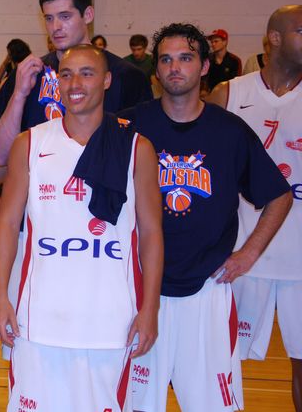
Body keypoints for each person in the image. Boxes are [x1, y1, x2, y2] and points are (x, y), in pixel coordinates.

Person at [120, 23, 291, 412]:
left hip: (208, 292)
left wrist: (248, 254)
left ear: (204, 67)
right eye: (166, 59)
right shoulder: (129, 125)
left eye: (185, 58)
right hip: (140, 291)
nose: (174, 67)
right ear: (156, 70)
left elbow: (279, 195)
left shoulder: (229, 130)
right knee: (135, 405)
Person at [0, 44, 163, 412]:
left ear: (106, 80)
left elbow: (150, 233)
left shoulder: (136, 148)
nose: (75, 84)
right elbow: (7, 224)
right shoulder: (30, 143)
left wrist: (150, 309)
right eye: (66, 75)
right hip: (38, 320)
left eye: (87, 73)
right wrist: (0, 296)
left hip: (111, 322)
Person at [208, 5, 302, 411]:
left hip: (299, 260)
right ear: (275, 38)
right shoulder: (229, 94)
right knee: (221, 363)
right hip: (239, 257)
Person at [0, 0, 152, 167]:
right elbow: (0, 156)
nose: (55, 27)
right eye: (49, 18)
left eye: (65, 16)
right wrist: (19, 94)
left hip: (102, 184)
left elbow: (143, 159)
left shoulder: (127, 76)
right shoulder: (29, 73)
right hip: (39, 184)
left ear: (88, 14)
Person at [204, 29, 242, 93]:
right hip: (210, 95)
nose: (213, 44)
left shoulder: (234, 61)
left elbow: (237, 82)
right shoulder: (207, 60)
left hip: (229, 94)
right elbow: (203, 80)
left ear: (225, 42)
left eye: (216, 41)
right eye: (212, 42)